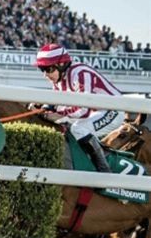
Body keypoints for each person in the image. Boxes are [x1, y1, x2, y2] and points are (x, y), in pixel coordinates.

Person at [34, 43, 122, 172]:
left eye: (48, 69)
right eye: (42, 69)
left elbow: (83, 110)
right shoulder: (58, 79)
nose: (45, 74)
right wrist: (44, 107)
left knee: (78, 129)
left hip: (112, 110)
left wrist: (58, 113)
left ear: (61, 64)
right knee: (63, 123)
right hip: (94, 111)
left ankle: (104, 171)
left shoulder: (81, 73)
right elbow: (58, 104)